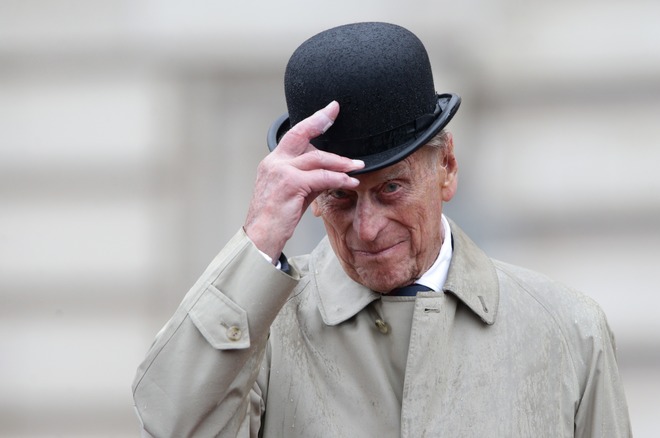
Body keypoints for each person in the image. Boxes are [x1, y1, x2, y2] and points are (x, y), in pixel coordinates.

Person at [132, 22, 632, 437]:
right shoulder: (264, 333)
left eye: (391, 188)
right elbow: (171, 423)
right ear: (312, 201)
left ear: (448, 167)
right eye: (341, 197)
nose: (367, 229)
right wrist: (259, 237)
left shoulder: (568, 331)